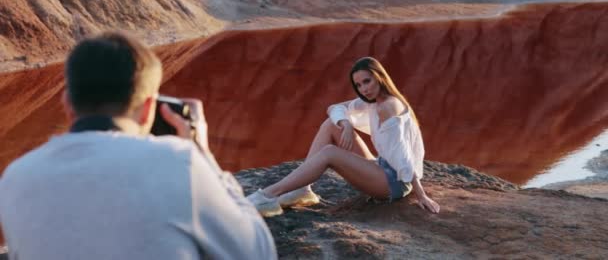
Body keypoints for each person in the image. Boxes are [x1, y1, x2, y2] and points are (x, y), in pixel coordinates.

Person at [0, 32, 277, 260]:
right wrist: (202, 152)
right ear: (148, 110)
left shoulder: (15, 177)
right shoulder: (179, 162)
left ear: (67, 104)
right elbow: (258, 252)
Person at [247, 57, 440, 216]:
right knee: (332, 124)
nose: (364, 89)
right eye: (359, 85)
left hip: (394, 183)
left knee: (330, 153)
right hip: (382, 167)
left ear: (379, 77)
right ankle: (302, 190)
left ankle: (267, 196)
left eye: (367, 81)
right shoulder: (374, 101)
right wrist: (346, 123)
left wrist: (420, 194)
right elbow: (334, 108)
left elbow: (402, 155)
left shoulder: (387, 107)